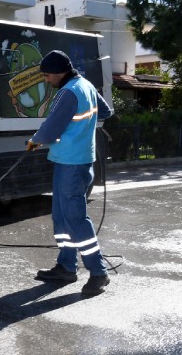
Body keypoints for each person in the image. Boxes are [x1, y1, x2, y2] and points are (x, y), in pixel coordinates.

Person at [27, 50, 113, 296]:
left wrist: (35, 141)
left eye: (47, 75)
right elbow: (105, 112)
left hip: (71, 164)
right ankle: (66, 266)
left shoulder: (68, 92)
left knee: (75, 219)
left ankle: (98, 272)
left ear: (58, 72)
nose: (46, 80)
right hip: (76, 161)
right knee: (61, 217)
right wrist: (84, 127)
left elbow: (51, 127)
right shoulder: (85, 85)